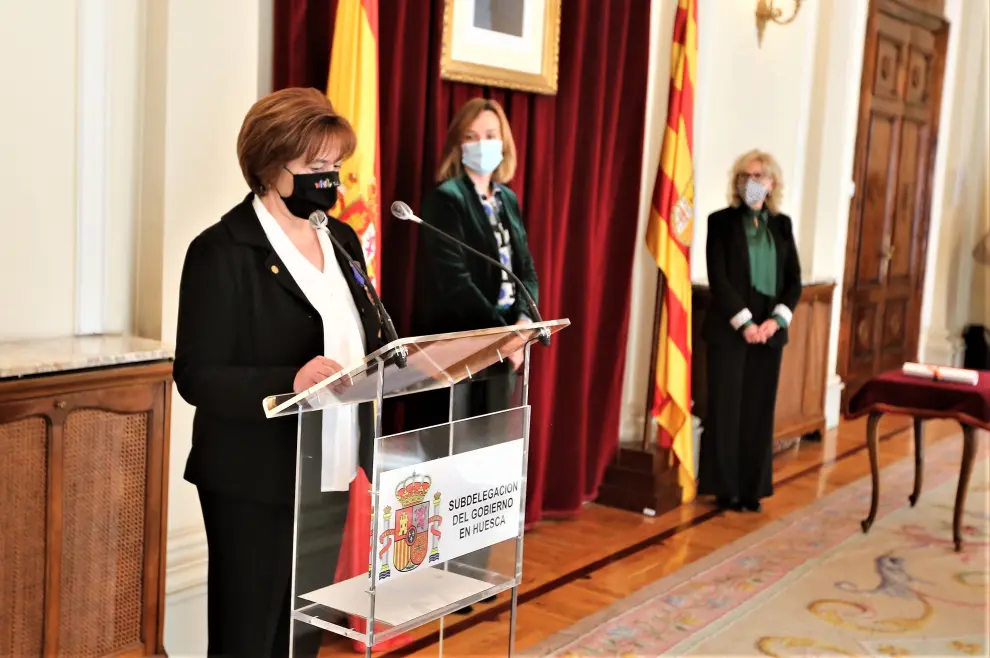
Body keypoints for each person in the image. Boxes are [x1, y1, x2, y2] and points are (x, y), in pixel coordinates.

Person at [173, 87, 384, 657]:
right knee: (249, 638)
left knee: (302, 636)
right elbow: (196, 375)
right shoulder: (221, 250)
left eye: (335, 166)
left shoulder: (340, 240)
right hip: (254, 478)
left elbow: (368, 335)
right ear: (270, 164)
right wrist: (286, 380)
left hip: (333, 465)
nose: (330, 180)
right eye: (316, 166)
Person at [407, 97, 539, 613]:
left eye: (491, 133)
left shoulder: (507, 199)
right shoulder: (447, 199)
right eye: (472, 135)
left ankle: (472, 574)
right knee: (453, 460)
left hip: (505, 350)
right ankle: (441, 575)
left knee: (487, 462)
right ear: (457, 144)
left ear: (503, 142)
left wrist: (526, 326)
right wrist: (503, 334)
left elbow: (525, 268)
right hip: (459, 353)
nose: (483, 143)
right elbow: (455, 282)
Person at [698, 149, 802, 513]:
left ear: (771, 183)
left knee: (758, 410)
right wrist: (745, 323)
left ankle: (751, 489)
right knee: (726, 409)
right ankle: (724, 488)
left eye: (758, 176)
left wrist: (776, 321)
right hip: (731, 330)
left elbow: (794, 281)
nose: (751, 183)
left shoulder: (782, 225)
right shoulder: (721, 222)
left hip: (769, 333)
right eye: (745, 176)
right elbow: (719, 278)